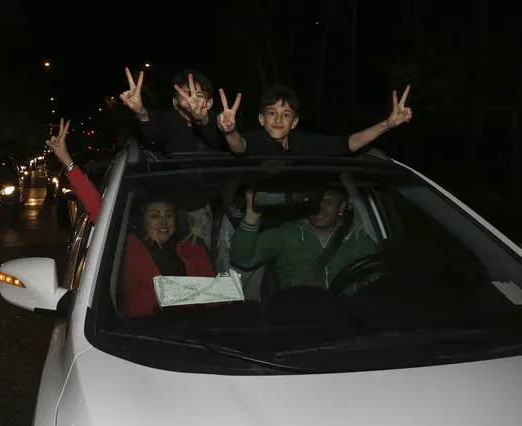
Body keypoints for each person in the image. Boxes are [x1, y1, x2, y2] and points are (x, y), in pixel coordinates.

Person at [46, 118, 215, 317]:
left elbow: (214, 301)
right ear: (143, 220)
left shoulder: (194, 248)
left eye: (169, 215)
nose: (164, 221)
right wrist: (67, 161)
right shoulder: (129, 245)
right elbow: (97, 206)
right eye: (155, 215)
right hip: (141, 336)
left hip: (193, 332)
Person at [229, 186, 377, 291]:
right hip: (297, 320)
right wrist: (252, 215)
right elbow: (241, 259)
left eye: (328, 202)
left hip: (345, 321)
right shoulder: (289, 232)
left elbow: (379, 278)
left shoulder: (358, 240)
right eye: (316, 201)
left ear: (342, 205)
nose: (320, 208)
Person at [217, 84, 413, 156]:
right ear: (261, 119)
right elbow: (239, 146)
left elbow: (347, 144)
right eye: (271, 113)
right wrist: (230, 131)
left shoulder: (302, 143)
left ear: (294, 122)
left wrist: (387, 125)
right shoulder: (257, 139)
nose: (278, 119)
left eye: (285, 115)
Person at [119, 67, 224, 153]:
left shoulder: (221, 122)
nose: (193, 100)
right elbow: (153, 136)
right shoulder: (167, 122)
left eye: (198, 95)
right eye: (186, 94)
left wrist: (203, 120)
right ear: (175, 102)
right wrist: (141, 113)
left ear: (209, 103)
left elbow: (232, 146)